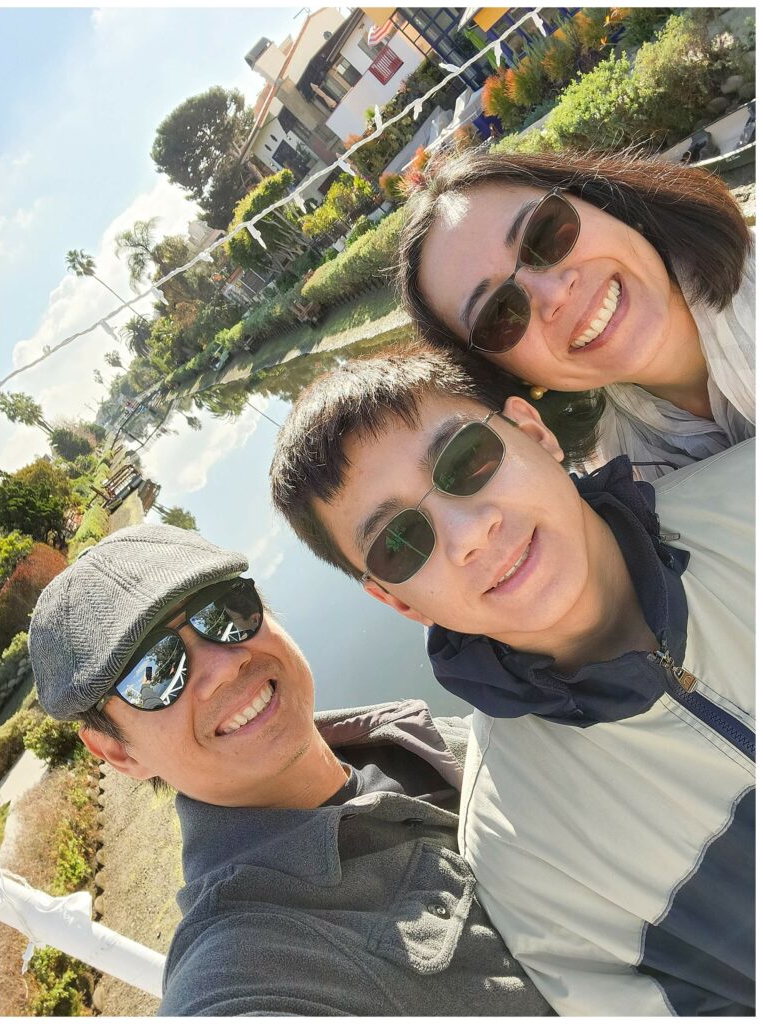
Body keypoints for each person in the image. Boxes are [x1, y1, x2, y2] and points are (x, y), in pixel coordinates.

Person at [270, 344, 755, 1016]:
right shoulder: (521, 853)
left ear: (534, 432)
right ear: (399, 602)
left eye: (467, 460)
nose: (468, 534)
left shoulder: (749, 495)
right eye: (402, 542)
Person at [28, 524, 551, 1017]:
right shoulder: (249, 965)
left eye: (224, 609)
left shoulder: (411, 736)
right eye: (153, 672)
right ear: (119, 753)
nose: (223, 664)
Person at [396, 148, 755, 480]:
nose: (553, 294)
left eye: (546, 234)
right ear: (507, 373)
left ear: (602, 203)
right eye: (499, 314)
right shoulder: (614, 486)